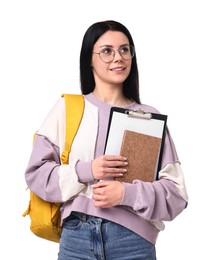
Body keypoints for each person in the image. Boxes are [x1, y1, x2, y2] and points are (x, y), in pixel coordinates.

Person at [25, 20, 188, 260]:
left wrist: (126, 194)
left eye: (125, 49)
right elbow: (36, 175)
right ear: (88, 59)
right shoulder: (67, 109)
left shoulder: (147, 119)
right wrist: (86, 170)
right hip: (76, 238)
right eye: (106, 51)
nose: (118, 57)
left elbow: (176, 195)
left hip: (133, 241)